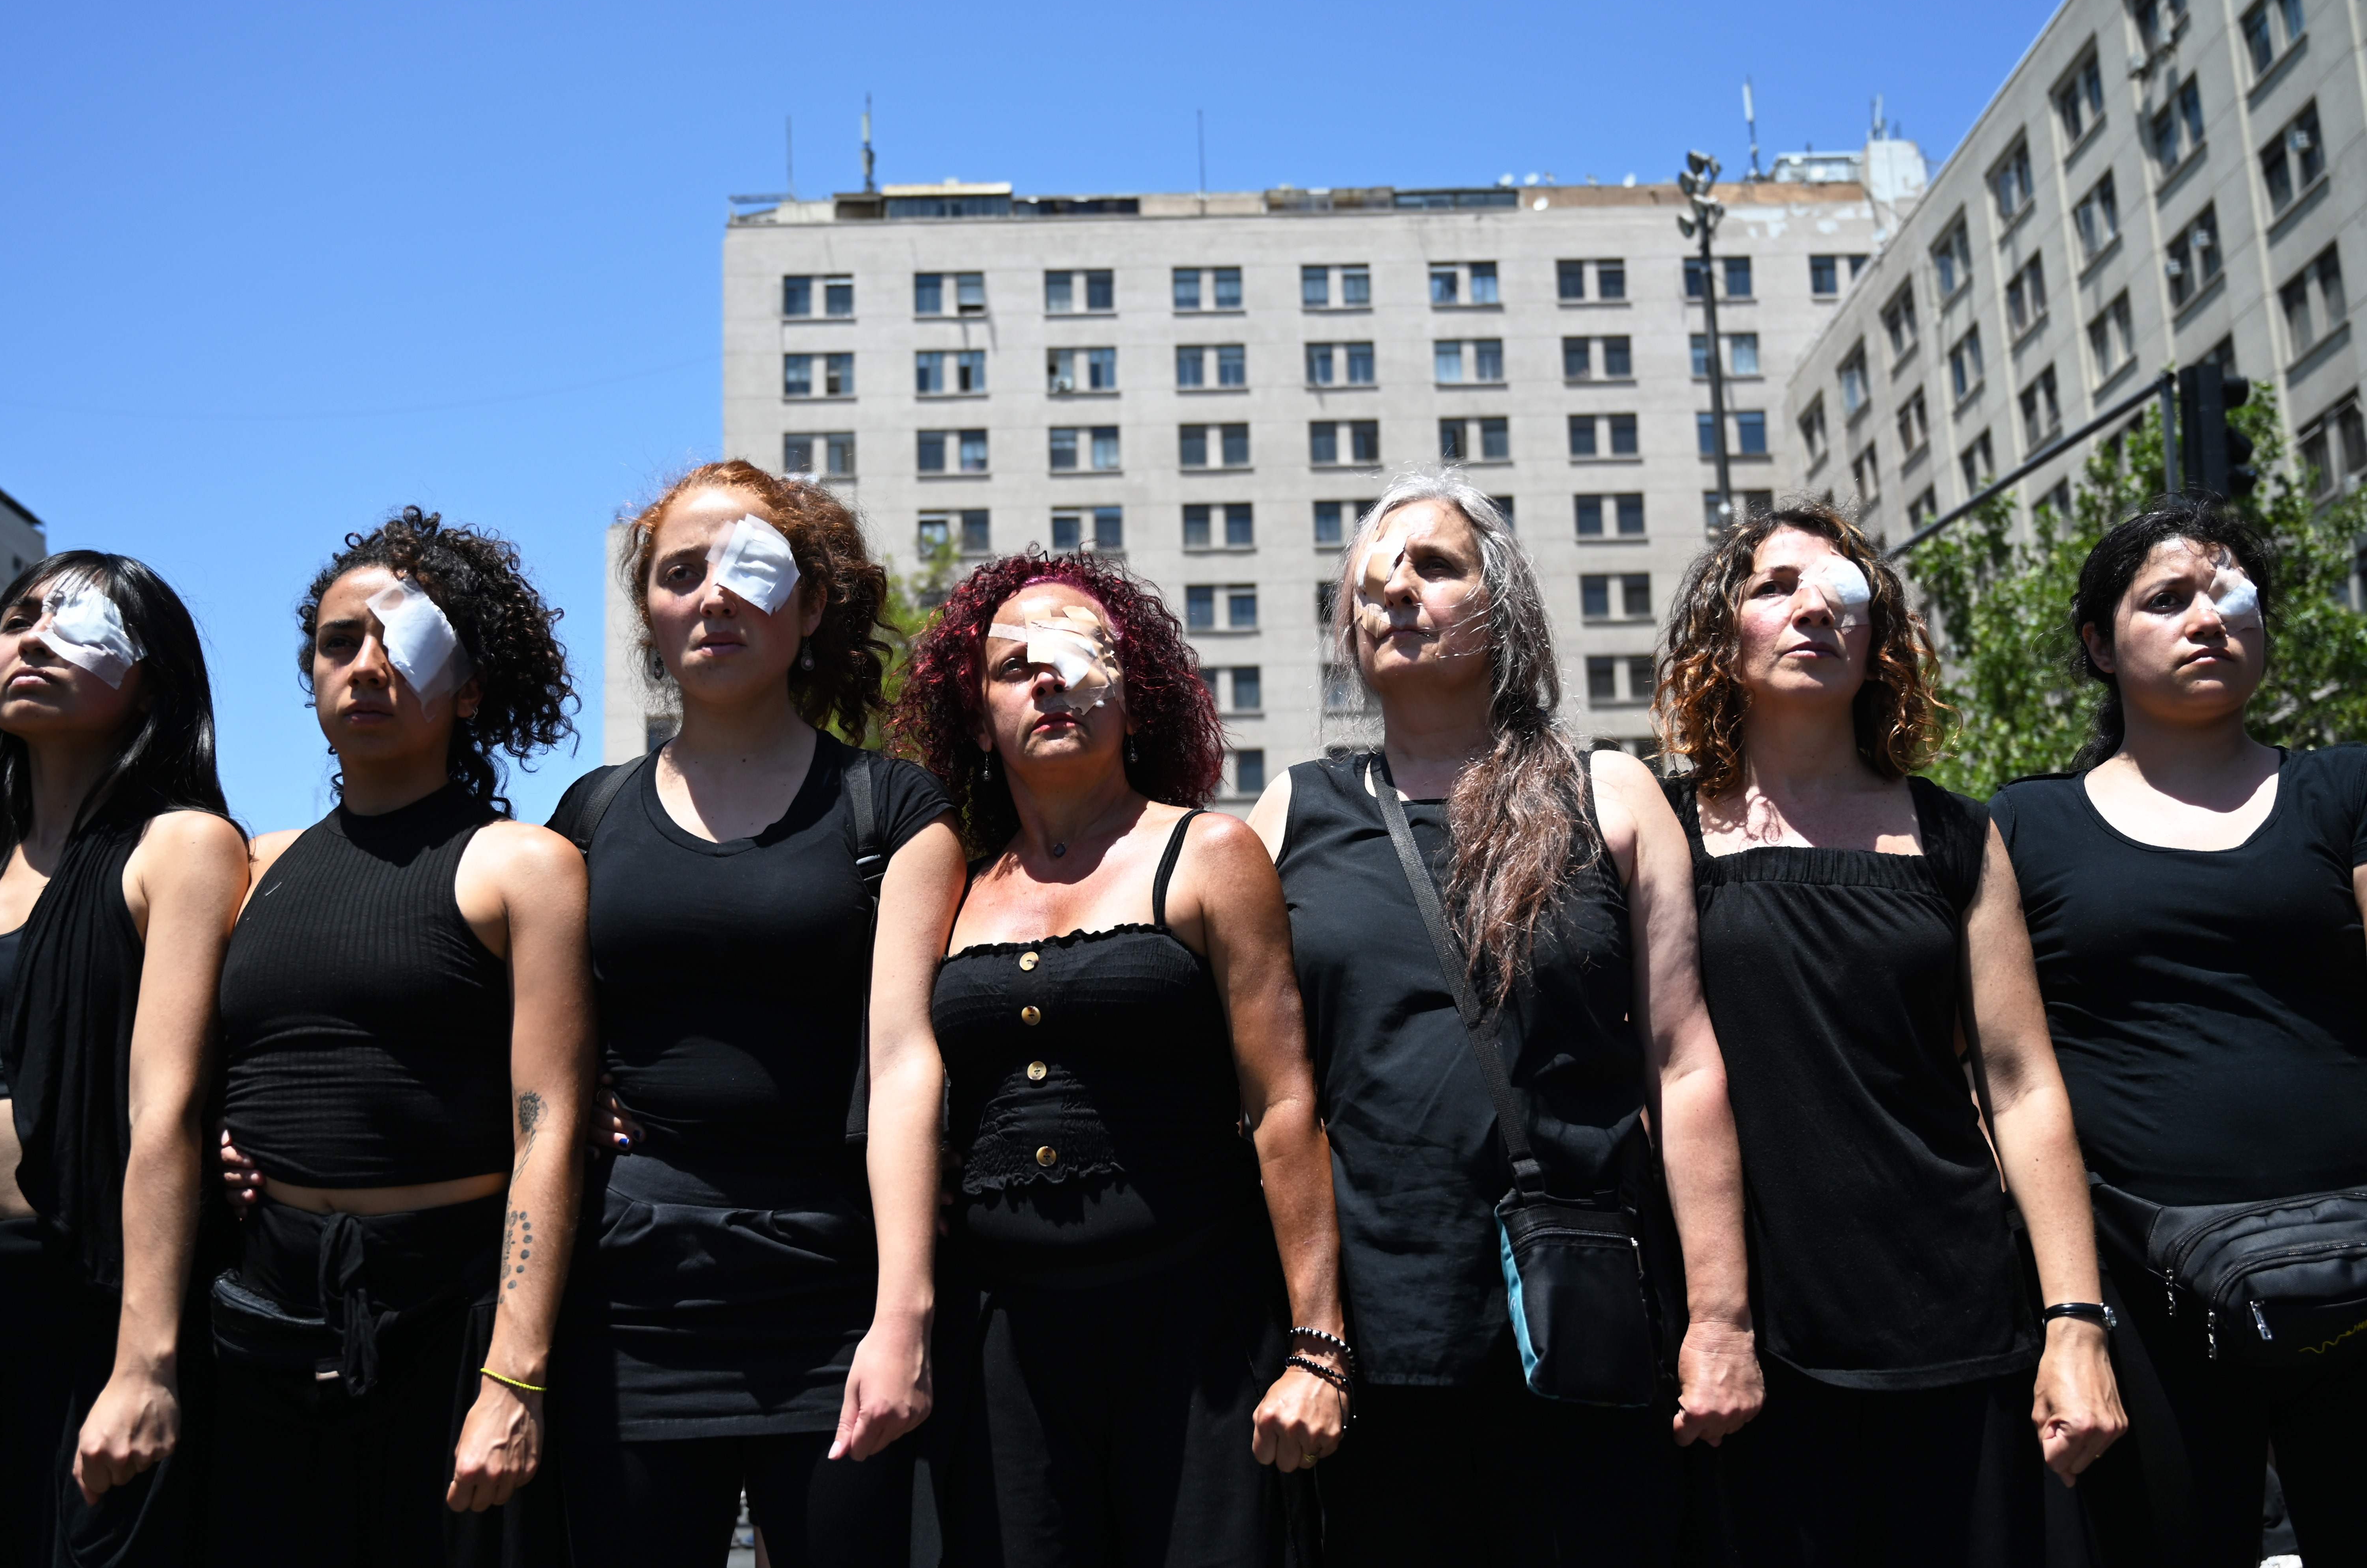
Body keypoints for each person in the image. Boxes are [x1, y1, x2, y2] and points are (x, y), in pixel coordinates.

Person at [1247, 468, 1760, 1567]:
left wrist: (1720, 1323)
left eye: (1435, 565)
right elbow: (1266, 1093)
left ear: (1507, 606)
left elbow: (1682, 1061)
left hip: (1592, 1327)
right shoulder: (1293, 809)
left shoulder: (1611, 793)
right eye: (1372, 581)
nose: (1396, 592)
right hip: (1373, 1349)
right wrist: (1308, 1338)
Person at [1652, 498, 2123, 1564]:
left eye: (1844, 592)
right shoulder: (1666, 831)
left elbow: (2022, 1084)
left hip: (1960, 1329)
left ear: (1880, 641)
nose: (1814, 608)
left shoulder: (1958, 833)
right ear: (1722, 641)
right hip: (1749, 1346)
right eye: (1775, 588)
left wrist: (2075, 1321)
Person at [888, 550, 1345, 1567]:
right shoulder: (948, 883)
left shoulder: (1215, 854)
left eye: (1081, 653)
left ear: (1134, 701)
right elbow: (897, 1075)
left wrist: (1320, 1345)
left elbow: (1283, 1104)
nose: (1051, 679)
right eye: (1017, 665)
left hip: (1199, 1341)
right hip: (1000, 1344)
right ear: (975, 717)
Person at [544, 462, 961, 1567]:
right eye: (682, 573)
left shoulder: (894, 807)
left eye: (750, 568)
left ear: (811, 604)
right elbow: (528, 1052)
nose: (714, 596)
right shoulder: (583, 818)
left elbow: (908, 1059)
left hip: (835, 1295)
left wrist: (903, 1315)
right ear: (649, 610)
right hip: (627, 1299)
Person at [1986, 502, 2367, 1565]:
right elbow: (2005, 1079)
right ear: (2101, 647)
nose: (2209, 619)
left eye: (2232, 595)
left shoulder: (2348, 787)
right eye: (2169, 599)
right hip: (2146, 1303)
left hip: (2358, 1280)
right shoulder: (2021, 823)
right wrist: (2071, 1318)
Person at [209, 508, 591, 1563]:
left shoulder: (524, 866)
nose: (366, 667)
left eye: (404, 641)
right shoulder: (250, 868)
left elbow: (549, 1130)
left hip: (451, 1317)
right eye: (340, 643)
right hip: (261, 1319)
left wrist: (513, 1378)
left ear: (470, 689)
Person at [0, 552, 247, 1564]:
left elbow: (164, 1110)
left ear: (150, 676)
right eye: (16, 618)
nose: (32, 636)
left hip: (85, 1306)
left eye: (74, 620)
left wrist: (145, 1363)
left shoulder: (177, 847)